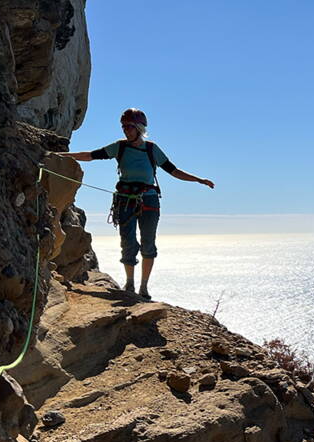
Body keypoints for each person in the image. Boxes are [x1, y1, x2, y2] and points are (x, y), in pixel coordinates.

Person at [55, 108, 214, 300]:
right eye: (123, 126)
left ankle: (144, 287)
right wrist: (63, 156)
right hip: (125, 199)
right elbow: (90, 155)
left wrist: (198, 180)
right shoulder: (119, 147)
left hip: (148, 199)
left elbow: (173, 170)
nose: (125, 130)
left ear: (139, 128)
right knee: (128, 242)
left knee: (148, 243)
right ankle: (130, 284)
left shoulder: (151, 149)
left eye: (129, 126)